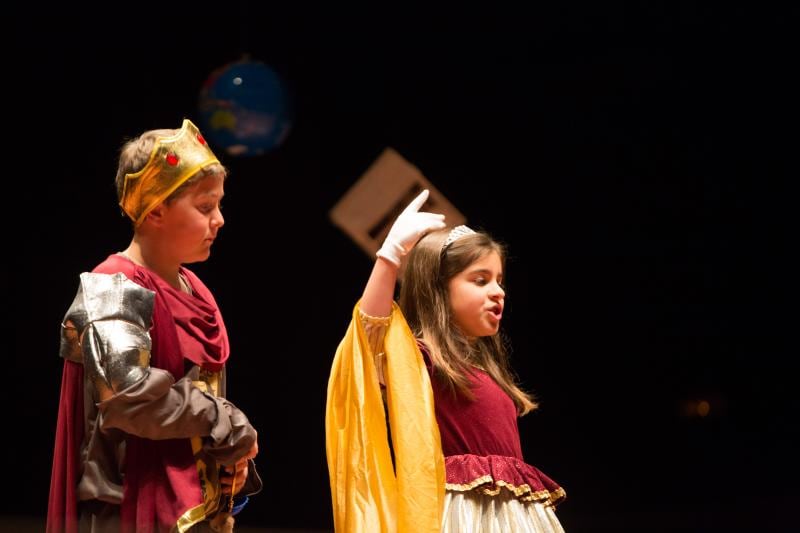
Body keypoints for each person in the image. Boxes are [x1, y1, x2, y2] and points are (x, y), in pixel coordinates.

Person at [47, 118, 262, 533]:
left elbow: (199, 399)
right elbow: (134, 400)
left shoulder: (195, 289)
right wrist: (227, 422)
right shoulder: (113, 287)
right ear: (156, 210)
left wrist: (228, 458)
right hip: (129, 511)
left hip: (194, 510)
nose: (219, 220)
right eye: (204, 207)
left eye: (218, 205)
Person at [326, 190, 566, 532]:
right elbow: (366, 338)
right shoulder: (420, 361)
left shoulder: (487, 372)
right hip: (459, 515)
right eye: (480, 280)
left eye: (499, 281)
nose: (498, 291)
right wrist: (390, 255)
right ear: (437, 288)